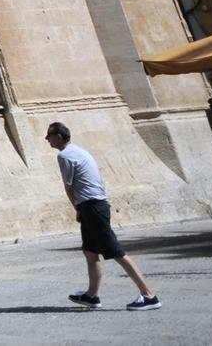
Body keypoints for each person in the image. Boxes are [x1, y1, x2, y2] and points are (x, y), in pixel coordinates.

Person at [46, 121, 160, 310]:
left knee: (116, 252)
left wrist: (77, 208)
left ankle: (149, 295)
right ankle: (92, 296)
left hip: (91, 207)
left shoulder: (64, 155)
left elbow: (69, 186)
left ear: (59, 137)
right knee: (90, 251)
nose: (46, 139)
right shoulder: (78, 150)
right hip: (94, 205)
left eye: (49, 136)